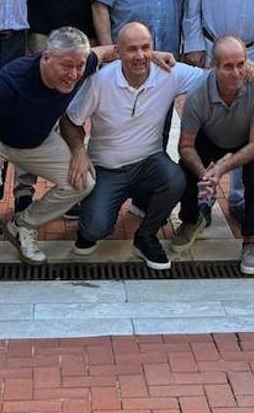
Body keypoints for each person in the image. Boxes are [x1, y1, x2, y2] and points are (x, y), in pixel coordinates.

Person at [0, 28, 137, 294]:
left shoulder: (82, 61)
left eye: (79, 67)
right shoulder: (12, 81)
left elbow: (109, 51)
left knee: (83, 181)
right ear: (46, 58)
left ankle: (22, 225)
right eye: (67, 66)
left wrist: (154, 55)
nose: (74, 74)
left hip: (37, 141)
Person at [63, 23, 204, 270]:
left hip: (148, 161)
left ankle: (145, 236)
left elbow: (210, 79)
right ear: (117, 52)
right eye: (132, 50)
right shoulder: (100, 82)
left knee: (175, 179)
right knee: (95, 228)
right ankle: (92, 215)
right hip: (107, 168)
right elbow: (70, 120)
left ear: (153, 49)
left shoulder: (169, 73)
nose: (140, 56)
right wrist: (79, 150)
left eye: (146, 48)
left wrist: (247, 69)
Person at [173, 36, 254, 277]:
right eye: (228, 66)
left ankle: (250, 239)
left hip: (247, 139)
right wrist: (205, 175)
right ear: (214, 67)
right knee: (184, 170)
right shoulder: (197, 93)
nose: (236, 72)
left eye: (241, 64)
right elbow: (185, 145)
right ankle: (191, 219)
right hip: (209, 135)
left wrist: (222, 167)